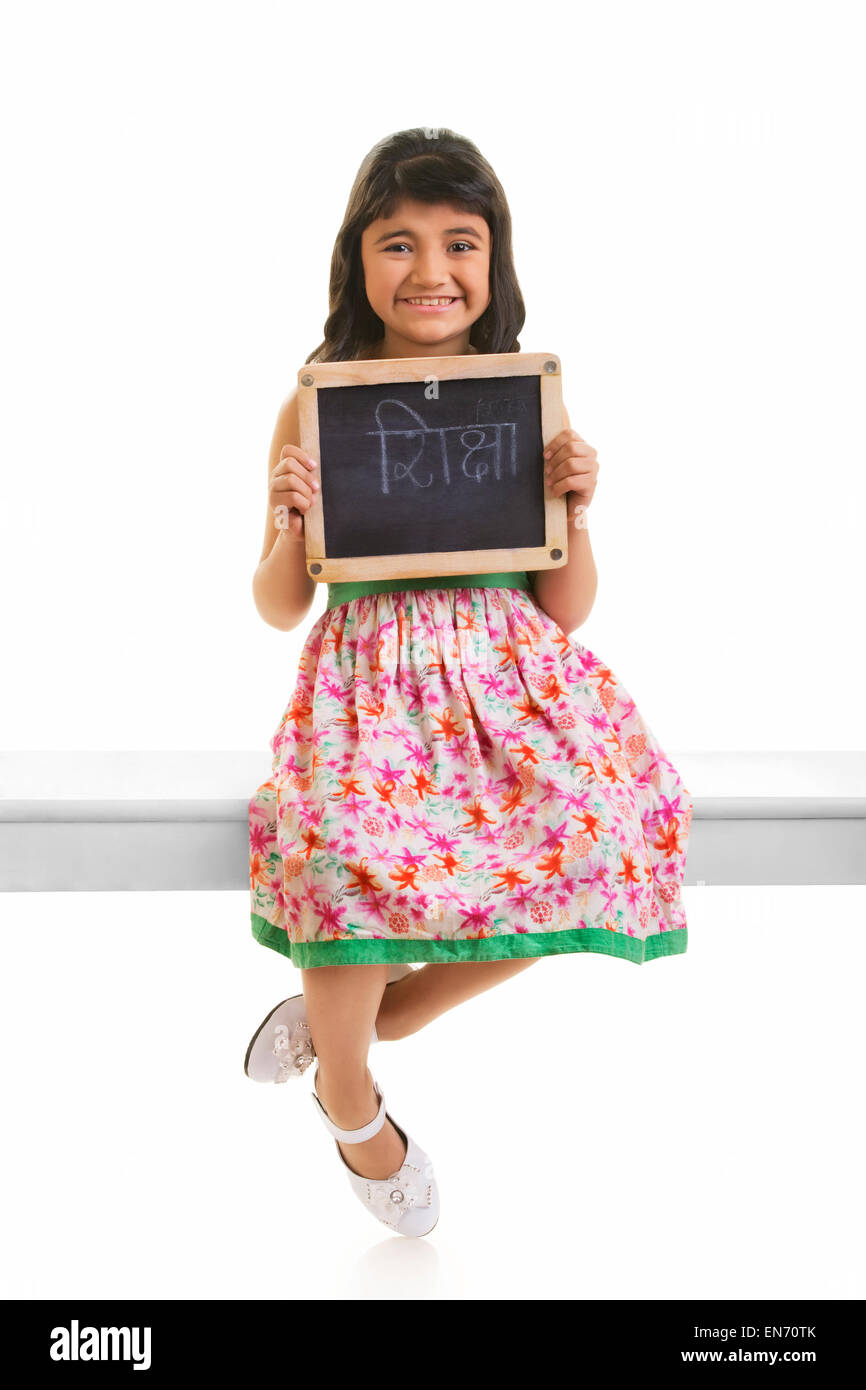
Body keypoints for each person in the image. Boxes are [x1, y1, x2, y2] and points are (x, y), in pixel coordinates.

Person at [246, 127, 693, 1238]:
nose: (430, 272)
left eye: (459, 244)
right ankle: (352, 1105)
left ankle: (374, 1018)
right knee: (341, 848)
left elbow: (567, 605)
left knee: (595, 834)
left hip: (510, 683)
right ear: (357, 258)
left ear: (494, 265)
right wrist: (290, 520)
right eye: (398, 243)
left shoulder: (519, 398)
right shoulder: (316, 405)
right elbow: (275, 601)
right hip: (370, 689)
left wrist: (576, 512)